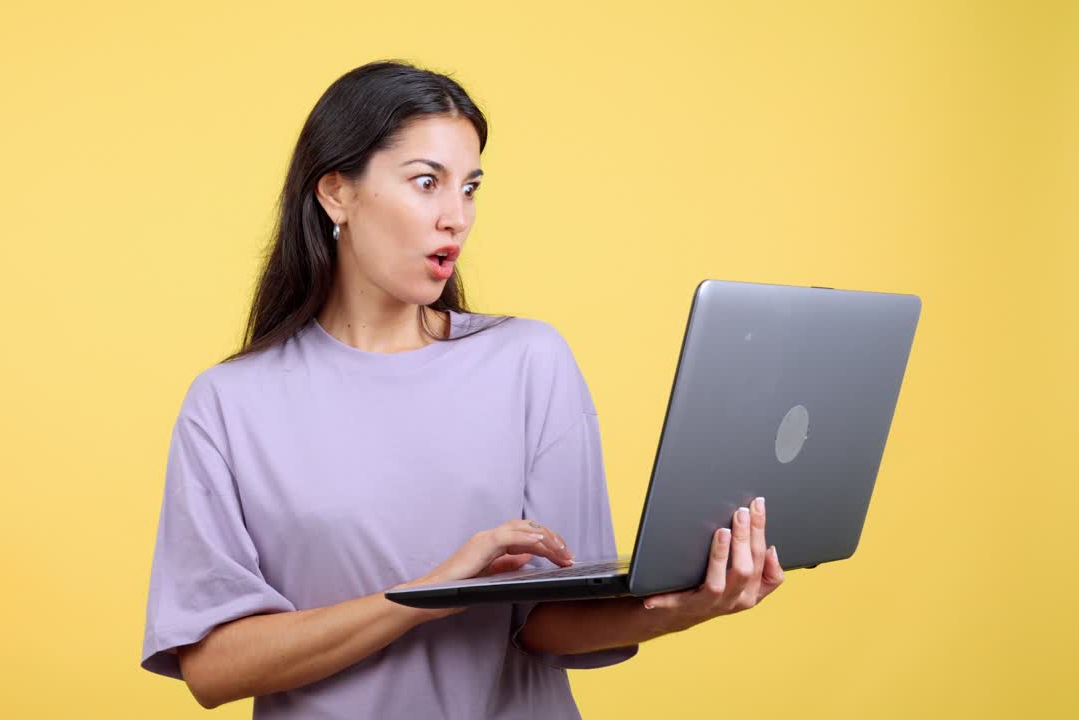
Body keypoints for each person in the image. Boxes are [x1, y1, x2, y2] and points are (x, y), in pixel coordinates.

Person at [139, 60, 785, 719]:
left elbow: (549, 622)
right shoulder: (230, 403)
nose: (457, 217)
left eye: (470, 187)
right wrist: (425, 594)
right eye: (427, 183)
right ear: (336, 193)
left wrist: (686, 608)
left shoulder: (530, 361)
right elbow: (214, 668)